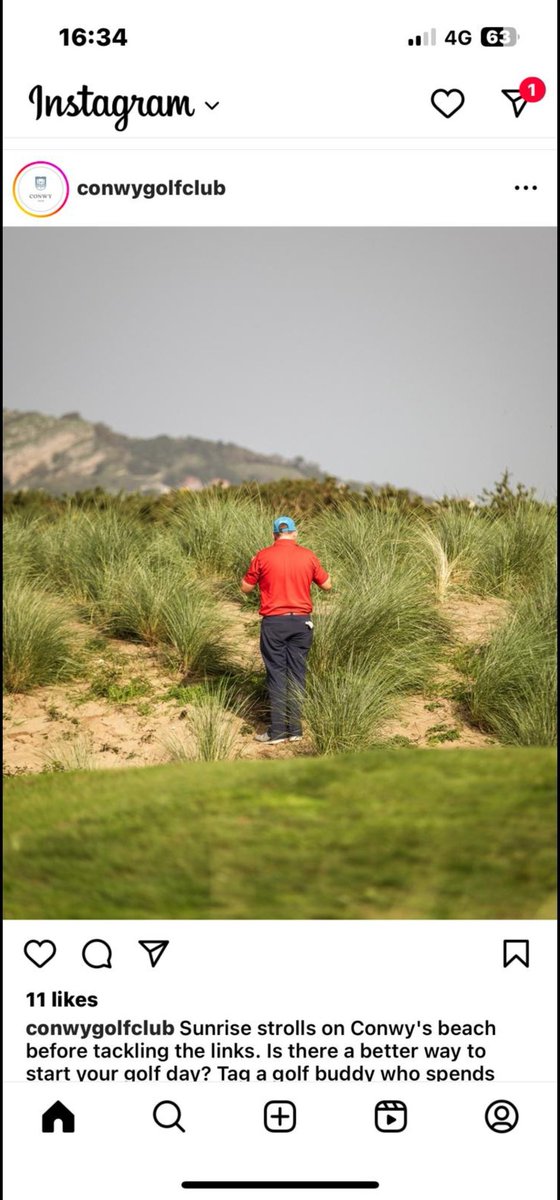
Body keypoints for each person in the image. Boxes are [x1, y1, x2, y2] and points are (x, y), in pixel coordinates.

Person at [241, 516, 332, 743]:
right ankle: (296, 729)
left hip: (274, 623)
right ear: (295, 533)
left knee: (277, 674)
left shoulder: (263, 556)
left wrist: (253, 564)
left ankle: (279, 730)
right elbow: (328, 585)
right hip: (302, 622)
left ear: (274, 534)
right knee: (297, 673)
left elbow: (245, 588)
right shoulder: (308, 555)